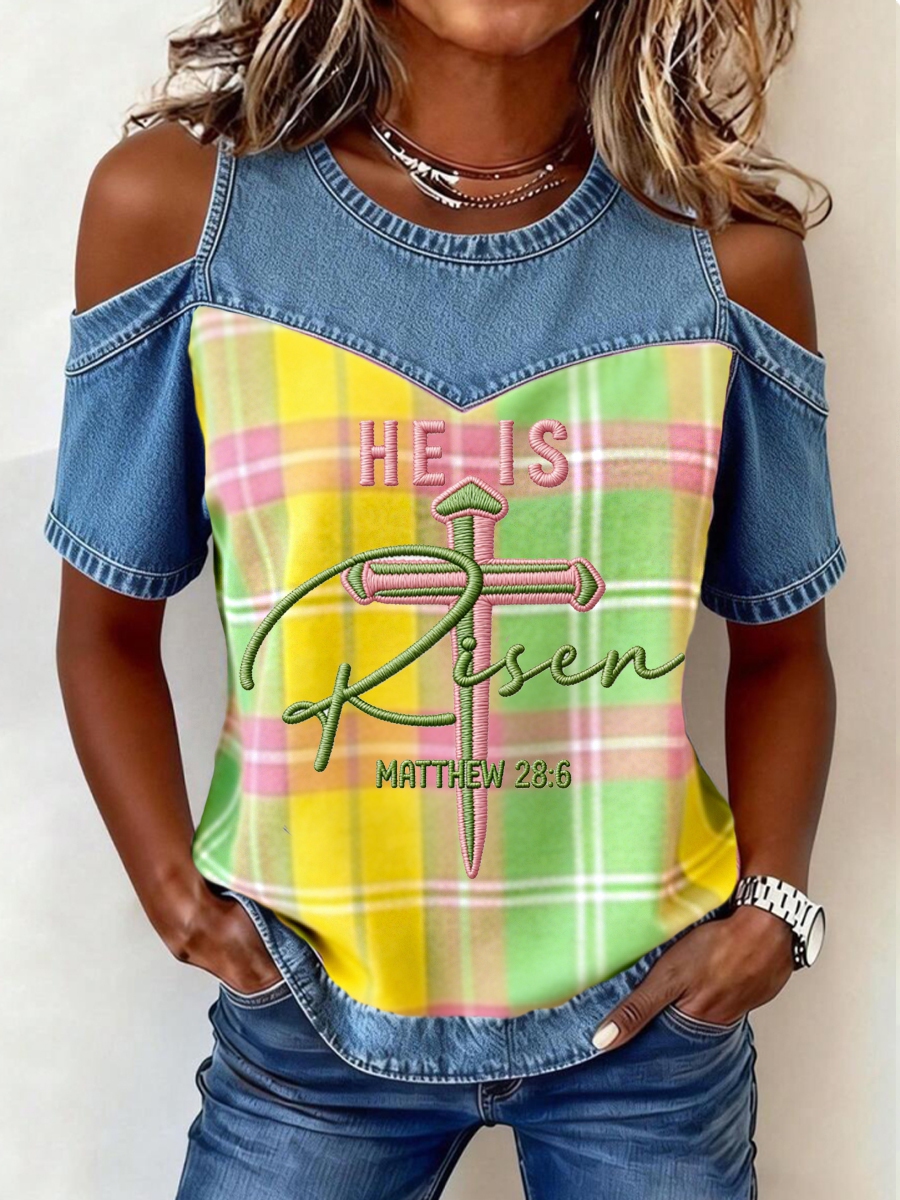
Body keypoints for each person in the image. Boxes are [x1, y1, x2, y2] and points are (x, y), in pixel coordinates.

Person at [43, 2, 845, 1196]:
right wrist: (178, 900)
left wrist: (772, 916)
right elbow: (104, 629)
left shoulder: (725, 258)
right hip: (309, 1021)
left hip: (649, 1027)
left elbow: (783, 647)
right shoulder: (183, 219)